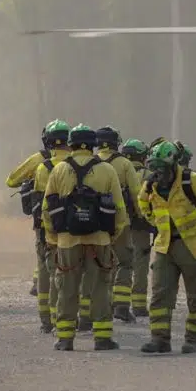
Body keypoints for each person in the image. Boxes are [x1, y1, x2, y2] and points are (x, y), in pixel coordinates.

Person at [42, 124, 129, 351]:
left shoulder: (59, 169)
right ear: (93, 145)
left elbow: (46, 207)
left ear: (71, 144)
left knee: (67, 289)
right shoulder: (107, 170)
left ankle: (65, 339)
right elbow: (120, 209)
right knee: (101, 287)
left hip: (67, 241)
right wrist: (112, 235)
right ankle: (102, 338)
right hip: (99, 240)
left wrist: (53, 237)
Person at [137, 141, 196, 353]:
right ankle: (159, 340)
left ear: (173, 164)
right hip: (165, 247)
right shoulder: (150, 186)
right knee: (160, 294)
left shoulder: (192, 181)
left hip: (192, 247)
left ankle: (193, 340)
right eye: (154, 167)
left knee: (195, 296)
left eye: (162, 168)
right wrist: (158, 224)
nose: (158, 172)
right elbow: (143, 206)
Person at [95, 126, 140, 324]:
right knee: (125, 262)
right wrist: (142, 215)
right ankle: (121, 306)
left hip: (95, 224)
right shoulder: (124, 163)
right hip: (121, 222)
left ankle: (99, 305)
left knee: (99, 264)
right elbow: (136, 193)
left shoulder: (91, 163)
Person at [30, 120, 71, 333]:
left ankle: (47, 320)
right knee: (71, 272)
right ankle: (70, 317)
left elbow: (12, 181)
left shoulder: (41, 166)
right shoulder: (78, 164)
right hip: (72, 227)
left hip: (46, 228)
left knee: (45, 273)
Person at [6, 123, 55, 297]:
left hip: (41, 216)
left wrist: (30, 180)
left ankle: (40, 284)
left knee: (42, 252)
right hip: (70, 218)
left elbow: (11, 180)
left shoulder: (37, 160)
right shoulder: (74, 159)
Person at [120, 138, 153, 317]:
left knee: (120, 263)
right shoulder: (147, 174)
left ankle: (116, 303)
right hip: (141, 226)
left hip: (119, 225)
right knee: (140, 264)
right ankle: (139, 305)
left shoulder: (117, 169)